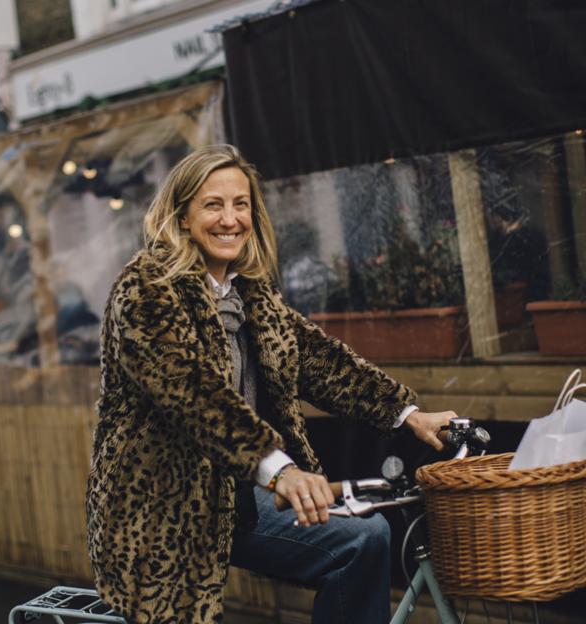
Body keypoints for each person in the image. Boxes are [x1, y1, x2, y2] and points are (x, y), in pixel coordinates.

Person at [86, 144, 456, 624]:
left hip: (236, 497)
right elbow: (192, 393)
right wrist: (280, 470)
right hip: (161, 511)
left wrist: (409, 414)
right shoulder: (145, 289)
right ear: (181, 218)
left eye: (240, 204)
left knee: (365, 539)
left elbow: (318, 360)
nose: (230, 219)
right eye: (212, 205)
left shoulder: (249, 293)